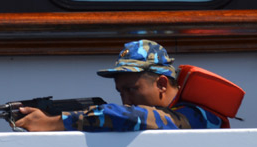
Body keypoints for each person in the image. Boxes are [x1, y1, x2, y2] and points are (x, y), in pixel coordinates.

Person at [16, 39, 225, 132]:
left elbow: (122, 116)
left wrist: (50, 123)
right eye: (121, 92)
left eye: (131, 89)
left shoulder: (197, 115)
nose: (126, 101)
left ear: (162, 83)